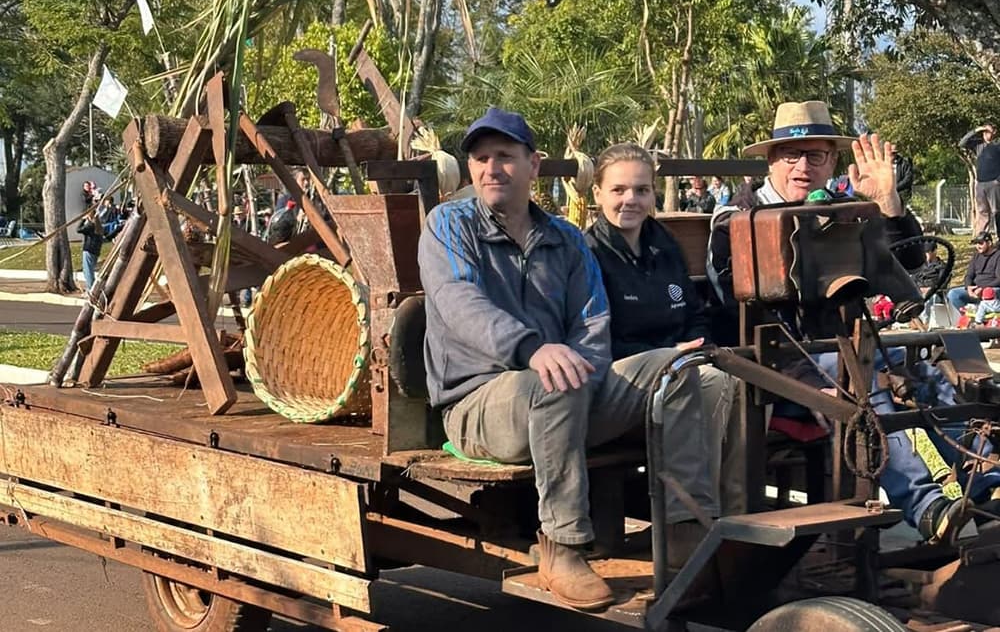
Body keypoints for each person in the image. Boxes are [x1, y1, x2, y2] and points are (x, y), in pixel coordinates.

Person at [419, 107, 723, 610]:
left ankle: (686, 530)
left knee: (679, 369)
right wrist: (534, 349)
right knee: (555, 381)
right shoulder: (449, 224)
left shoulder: (564, 237)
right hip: (477, 403)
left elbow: (592, 319)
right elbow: (458, 302)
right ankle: (561, 545)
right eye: (480, 158)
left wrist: (582, 366)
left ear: (534, 166)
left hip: (567, 394)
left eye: (505, 157)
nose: (491, 168)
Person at [709, 100, 1000, 541]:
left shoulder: (844, 212)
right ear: (771, 160)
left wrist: (887, 205)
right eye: (792, 155)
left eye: (817, 155)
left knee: (933, 368)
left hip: (846, 345)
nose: (803, 166)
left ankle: (984, 490)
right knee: (863, 384)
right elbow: (737, 306)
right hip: (772, 359)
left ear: (832, 163)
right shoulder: (736, 220)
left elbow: (910, 268)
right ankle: (925, 505)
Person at [584, 142, 743, 516]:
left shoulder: (664, 245)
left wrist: (701, 346)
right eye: (618, 190)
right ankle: (696, 517)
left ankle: (738, 510)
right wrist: (670, 354)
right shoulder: (587, 254)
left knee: (743, 380)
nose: (631, 200)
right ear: (597, 194)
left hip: (680, 362)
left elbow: (693, 311)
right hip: (620, 380)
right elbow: (593, 340)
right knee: (713, 383)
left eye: (641, 190)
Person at [959, 123, 1000, 234]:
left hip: (994, 183)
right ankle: (982, 237)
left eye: (988, 131)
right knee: (982, 212)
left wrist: (998, 180)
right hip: (980, 183)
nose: (986, 134)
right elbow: (962, 143)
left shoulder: (997, 145)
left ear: (994, 132)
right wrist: (977, 129)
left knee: (997, 211)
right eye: (984, 132)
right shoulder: (978, 145)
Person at [946, 232, 1000, 315]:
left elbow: (998, 280)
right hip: (976, 289)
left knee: (990, 292)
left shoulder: (998, 256)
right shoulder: (976, 256)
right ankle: (970, 317)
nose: (978, 246)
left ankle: (985, 317)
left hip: (992, 289)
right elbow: (969, 275)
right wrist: (969, 287)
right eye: (976, 244)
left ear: (989, 243)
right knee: (953, 294)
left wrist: (982, 288)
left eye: (981, 243)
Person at [911, 241, 948, 323]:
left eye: (927, 252)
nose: (925, 255)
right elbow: (913, 280)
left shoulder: (942, 267)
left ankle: (924, 322)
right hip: (919, 291)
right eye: (923, 252)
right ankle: (913, 321)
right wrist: (919, 289)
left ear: (934, 251)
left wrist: (930, 289)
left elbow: (943, 283)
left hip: (935, 293)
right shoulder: (920, 266)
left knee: (928, 298)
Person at [77, 211, 103, 292]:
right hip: (95, 251)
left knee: (88, 271)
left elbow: (79, 230)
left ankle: (90, 289)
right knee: (90, 270)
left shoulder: (91, 225)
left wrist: (82, 220)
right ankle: (92, 287)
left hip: (89, 249)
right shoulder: (99, 226)